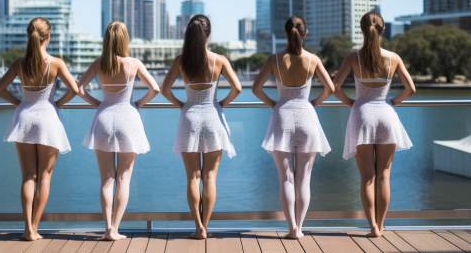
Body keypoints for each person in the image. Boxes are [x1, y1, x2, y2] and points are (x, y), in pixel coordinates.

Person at [333, 12, 415, 237]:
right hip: (386, 114)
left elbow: (334, 88)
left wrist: (352, 103)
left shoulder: (353, 58)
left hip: (362, 115)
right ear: (383, 30)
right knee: (384, 176)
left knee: (367, 177)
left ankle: (373, 228)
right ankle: (382, 223)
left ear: (362, 30)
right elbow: (411, 89)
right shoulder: (393, 58)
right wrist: (392, 102)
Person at [0, 17, 78, 241]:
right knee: (44, 177)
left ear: (28, 35)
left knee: (27, 177)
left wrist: (19, 103)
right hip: (47, 118)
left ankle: (27, 230)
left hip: (24, 117)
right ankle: (34, 227)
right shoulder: (56, 63)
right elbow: (75, 90)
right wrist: (58, 103)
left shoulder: (18, 64)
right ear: (48, 36)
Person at [252, 15, 334, 239]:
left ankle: (292, 230)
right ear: (305, 33)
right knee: (303, 180)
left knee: (286, 179)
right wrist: (314, 103)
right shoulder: (313, 59)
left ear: (285, 33)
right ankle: (301, 226)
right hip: (307, 116)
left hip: (282, 117)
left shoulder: (274, 60)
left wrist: (273, 104)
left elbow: (256, 89)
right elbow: (331, 88)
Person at [76, 22, 160, 241]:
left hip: (103, 117)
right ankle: (115, 228)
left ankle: (107, 230)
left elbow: (79, 88)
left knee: (106, 179)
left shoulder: (98, 64)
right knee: (124, 178)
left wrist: (97, 103)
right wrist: (138, 104)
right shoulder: (133, 63)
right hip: (127, 118)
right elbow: (156, 88)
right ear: (125, 39)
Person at [161, 15, 241, 239]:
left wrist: (181, 105)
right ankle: (206, 226)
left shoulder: (180, 60)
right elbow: (237, 88)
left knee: (193, 177)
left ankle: (198, 228)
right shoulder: (219, 60)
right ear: (209, 33)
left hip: (189, 118)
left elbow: (164, 89)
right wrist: (221, 104)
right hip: (213, 116)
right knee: (210, 177)